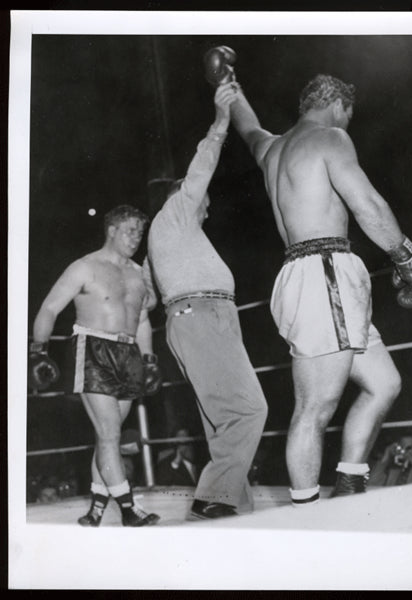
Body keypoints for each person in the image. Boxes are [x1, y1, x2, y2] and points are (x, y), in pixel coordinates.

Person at [203, 47, 412, 506]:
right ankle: (307, 513)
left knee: (384, 383)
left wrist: (228, 86)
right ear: (337, 105)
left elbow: (246, 127)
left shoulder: (272, 147)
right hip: (325, 274)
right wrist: (407, 256)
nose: (348, 124)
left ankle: (349, 481)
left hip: (313, 279)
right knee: (313, 408)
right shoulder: (330, 138)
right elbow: (367, 205)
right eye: (348, 115)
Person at [145, 82, 268, 519]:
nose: (207, 210)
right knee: (252, 408)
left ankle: (233, 501)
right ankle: (213, 498)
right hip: (202, 315)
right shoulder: (177, 210)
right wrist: (220, 121)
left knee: (221, 417)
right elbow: (201, 169)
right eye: (205, 203)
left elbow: (143, 299)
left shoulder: (164, 240)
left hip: (195, 319)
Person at [29, 205, 163, 526]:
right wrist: (38, 350)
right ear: (112, 230)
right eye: (130, 230)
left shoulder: (137, 274)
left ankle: (96, 510)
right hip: (92, 348)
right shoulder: (84, 267)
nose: (136, 238)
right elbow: (49, 307)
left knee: (110, 438)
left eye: (140, 233)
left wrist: (148, 359)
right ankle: (130, 508)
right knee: (109, 431)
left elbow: (143, 320)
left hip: (129, 353)